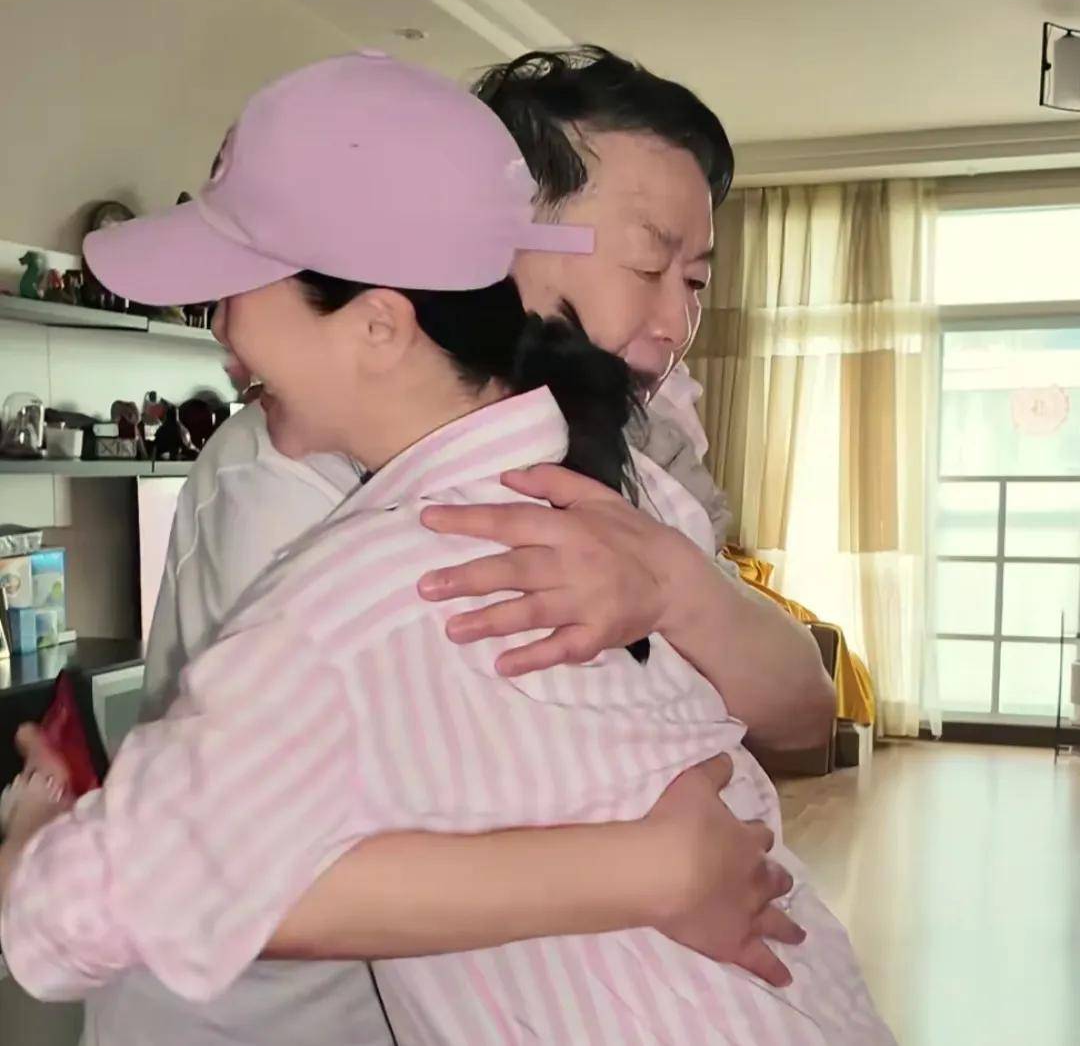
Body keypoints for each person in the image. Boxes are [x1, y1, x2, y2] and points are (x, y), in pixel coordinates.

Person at [0, 53, 892, 1044]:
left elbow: (85, 906)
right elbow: (221, 861)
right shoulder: (328, 491)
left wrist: (38, 830)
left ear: (383, 321)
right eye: (649, 265)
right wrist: (652, 868)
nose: (221, 333)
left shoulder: (408, 564)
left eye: (690, 279)